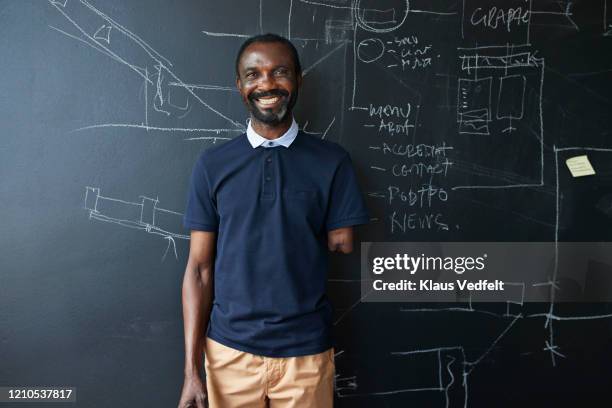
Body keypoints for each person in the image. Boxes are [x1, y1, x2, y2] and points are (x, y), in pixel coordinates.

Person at [178, 33, 369, 408]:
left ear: (298, 79)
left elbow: (343, 241)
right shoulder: (213, 165)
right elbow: (199, 270)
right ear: (240, 86)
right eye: (253, 75)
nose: (266, 83)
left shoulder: (332, 162)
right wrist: (191, 371)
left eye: (279, 72)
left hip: (306, 354)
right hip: (227, 355)